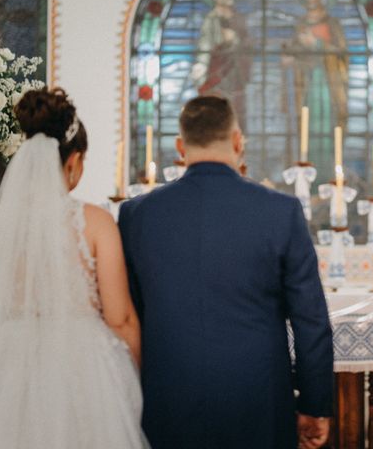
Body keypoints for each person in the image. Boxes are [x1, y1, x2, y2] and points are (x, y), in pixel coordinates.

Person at [118, 95, 333, 449]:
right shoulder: (281, 211)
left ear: (180, 146)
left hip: (167, 399)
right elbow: (311, 320)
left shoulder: (136, 215)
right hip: (258, 400)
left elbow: (130, 315)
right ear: (237, 142)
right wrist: (314, 405)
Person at [0, 87, 146, 448]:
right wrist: (133, 383)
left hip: (9, 367)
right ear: (74, 160)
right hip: (81, 373)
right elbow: (121, 319)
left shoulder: (3, 224)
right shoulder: (94, 222)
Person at [282, 0, 348, 172]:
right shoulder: (301, 25)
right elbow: (294, 52)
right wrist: (290, 59)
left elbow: (341, 54)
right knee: (306, 128)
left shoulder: (332, 23)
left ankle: (327, 172)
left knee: (325, 127)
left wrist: (317, 44)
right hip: (305, 83)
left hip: (326, 84)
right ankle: (305, 171)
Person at [191, 0, 250, 129]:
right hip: (216, 71)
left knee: (236, 112)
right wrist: (201, 66)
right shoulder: (210, 20)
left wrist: (235, 39)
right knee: (215, 113)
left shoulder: (239, 19)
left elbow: (248, 46)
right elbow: (204, 46)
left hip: (235, 73)